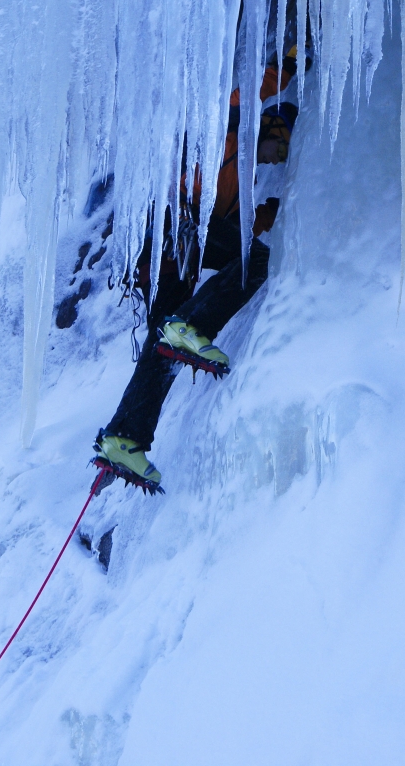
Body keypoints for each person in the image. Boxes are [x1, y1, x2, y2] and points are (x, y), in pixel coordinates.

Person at [93, 49, 302, 490]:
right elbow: (250, 96)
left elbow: (245, 222)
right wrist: (291, 59)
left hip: (167, 263)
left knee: (161, 348)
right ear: (268, 129)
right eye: (278, 146)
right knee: (258, 259)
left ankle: (124, 437)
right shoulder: (229, 135)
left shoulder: (239, 181)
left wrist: (290, 210)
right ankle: (190, 324)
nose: (275, 158)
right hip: (171, 230)